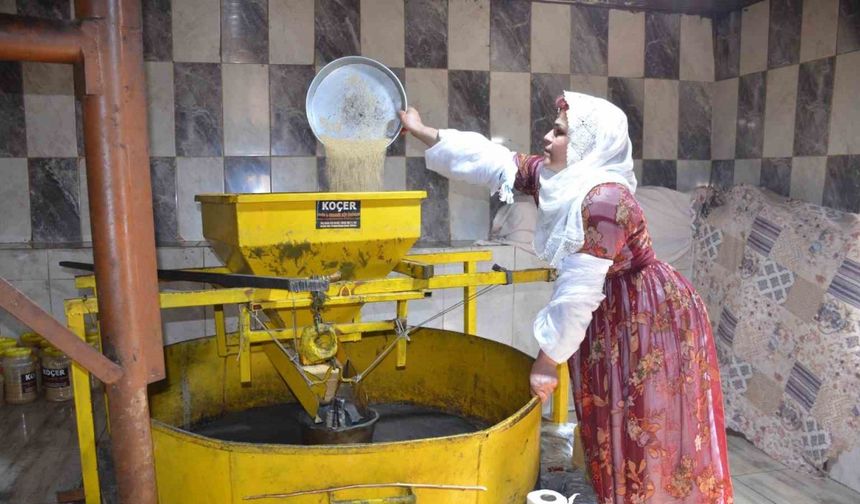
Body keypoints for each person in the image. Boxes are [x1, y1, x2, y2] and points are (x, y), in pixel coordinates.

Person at [399, 92, 733, 504]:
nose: (546, 136)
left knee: (647, 426)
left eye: (559, 132)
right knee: (613, 421)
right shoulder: (567, 180)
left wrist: (546, 362)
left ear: (587, 146)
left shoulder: (603, 201)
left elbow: (578, 293)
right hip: (612, 312)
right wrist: (421, 130)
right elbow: (496, 162)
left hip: (650, 320)